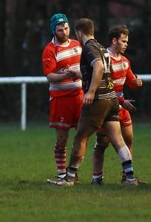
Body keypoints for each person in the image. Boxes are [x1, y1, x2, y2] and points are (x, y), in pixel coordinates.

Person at [47, 18, 138, 186]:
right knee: (118, 140)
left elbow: (98, 67)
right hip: (111, 99)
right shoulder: (102, 47)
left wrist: (90, 91)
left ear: (79, 33)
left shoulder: (88, 47)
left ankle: (69, 178)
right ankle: (130, 178)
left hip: (99, 100)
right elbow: (101, 72)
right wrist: (79, 74)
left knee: (80, 138)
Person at [91, 25, 143, 185]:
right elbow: (105, 86)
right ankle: (97, 178)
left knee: (128, 140)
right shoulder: (104, 59)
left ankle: (126, 176)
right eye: (124, 41)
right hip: (106, 107)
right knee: (102, 144)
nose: (126, 44)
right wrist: (122, 101)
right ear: (114, 40)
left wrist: (137, 83)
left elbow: (130, 81)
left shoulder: (125, 61)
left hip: (121, 107)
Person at [42, 13, 84, 183]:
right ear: (54, 31)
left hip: (80, 97)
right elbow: (50, 76)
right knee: (62, 139)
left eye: (66, 28)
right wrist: (66, 75)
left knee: (82, 135)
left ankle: (72, 172)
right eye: (60, 30)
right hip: (61, 98)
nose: (65, 32)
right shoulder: (50, 50)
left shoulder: (77, 45)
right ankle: (61, 174)